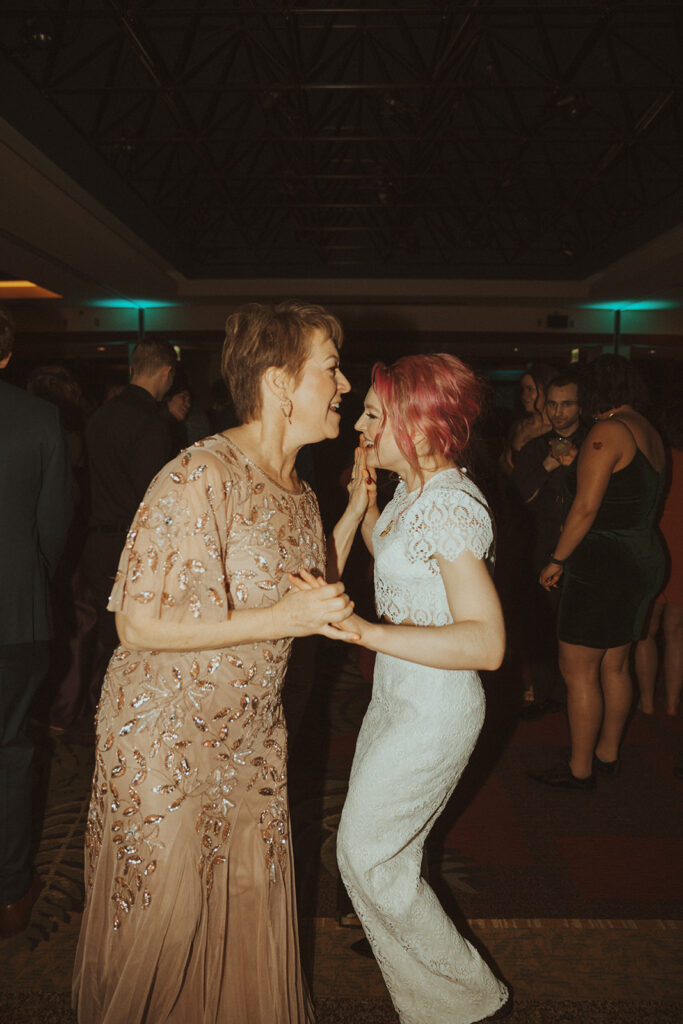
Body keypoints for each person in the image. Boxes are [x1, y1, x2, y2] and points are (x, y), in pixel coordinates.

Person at [72, 301, 355, 1024]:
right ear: (280, 383)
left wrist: (351, 515)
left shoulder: (300, 492)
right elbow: (134, 623)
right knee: (162, 925)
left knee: (240, 908)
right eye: (330, 367)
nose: (345, 385)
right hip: (163, 737)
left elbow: (305, 595)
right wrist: (283, 619)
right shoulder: (199, 474)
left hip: (251, 736)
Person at [295, 354, 509, 1023]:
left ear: (416, 425)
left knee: (363, 855)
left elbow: (486, 643)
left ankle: (471, 999)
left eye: (370, 414)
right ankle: (429, 998)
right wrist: (363, 504)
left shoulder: (447, 507)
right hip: (398, 697)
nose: (356, 424)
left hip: (435, 709)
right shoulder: (417, 496)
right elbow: (389, 550)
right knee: (381, 856)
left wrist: (363, 632)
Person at [531, 355, 666, 789]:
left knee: (578, 669)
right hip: (641, 555)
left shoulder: (607, 431)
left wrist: (557, 559)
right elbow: (626, 494)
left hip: (606, 563)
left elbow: (586, 508)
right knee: (615, 665)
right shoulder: (645, 428)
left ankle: (580, 769)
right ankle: (606, 756)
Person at [62, 338, 177, 734]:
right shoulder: (149, 421)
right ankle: (123, 724)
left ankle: (103, 717)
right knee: (133, 645)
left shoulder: (101, 415)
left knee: (107, 641)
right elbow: (155, 498)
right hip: (132, 547)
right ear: (166, 373)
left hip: (97, 542)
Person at [0, 312, 72, 935]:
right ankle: (11, 895)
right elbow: (53, 526)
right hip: (15, 615)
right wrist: (29, 577)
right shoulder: (39, 417)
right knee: (13, 752)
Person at [511, 372, 588, 717]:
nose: (558, 412)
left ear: (580, 405)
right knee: (541, 623)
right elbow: (517, 496)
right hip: (540, 545)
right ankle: (544, 695)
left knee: (576, 627)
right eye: (553, 404)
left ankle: (572, 693)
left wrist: (574, 469)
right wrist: (547, 463)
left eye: (567, 404)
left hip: (582, 548)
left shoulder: (595, 442)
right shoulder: (535, 447)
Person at [635, 401, 683, 717]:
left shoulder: (655, 460)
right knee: (676, 632)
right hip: (681, 545)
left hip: (655, 542)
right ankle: (671, 702)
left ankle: (648, 703)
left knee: (646, 631)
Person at [499, 362, 556, 474]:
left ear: (547, 390)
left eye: (530, 389)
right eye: (523, 389)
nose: (524, 396)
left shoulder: (556, 429)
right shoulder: (519, 426)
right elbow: (503, 461)